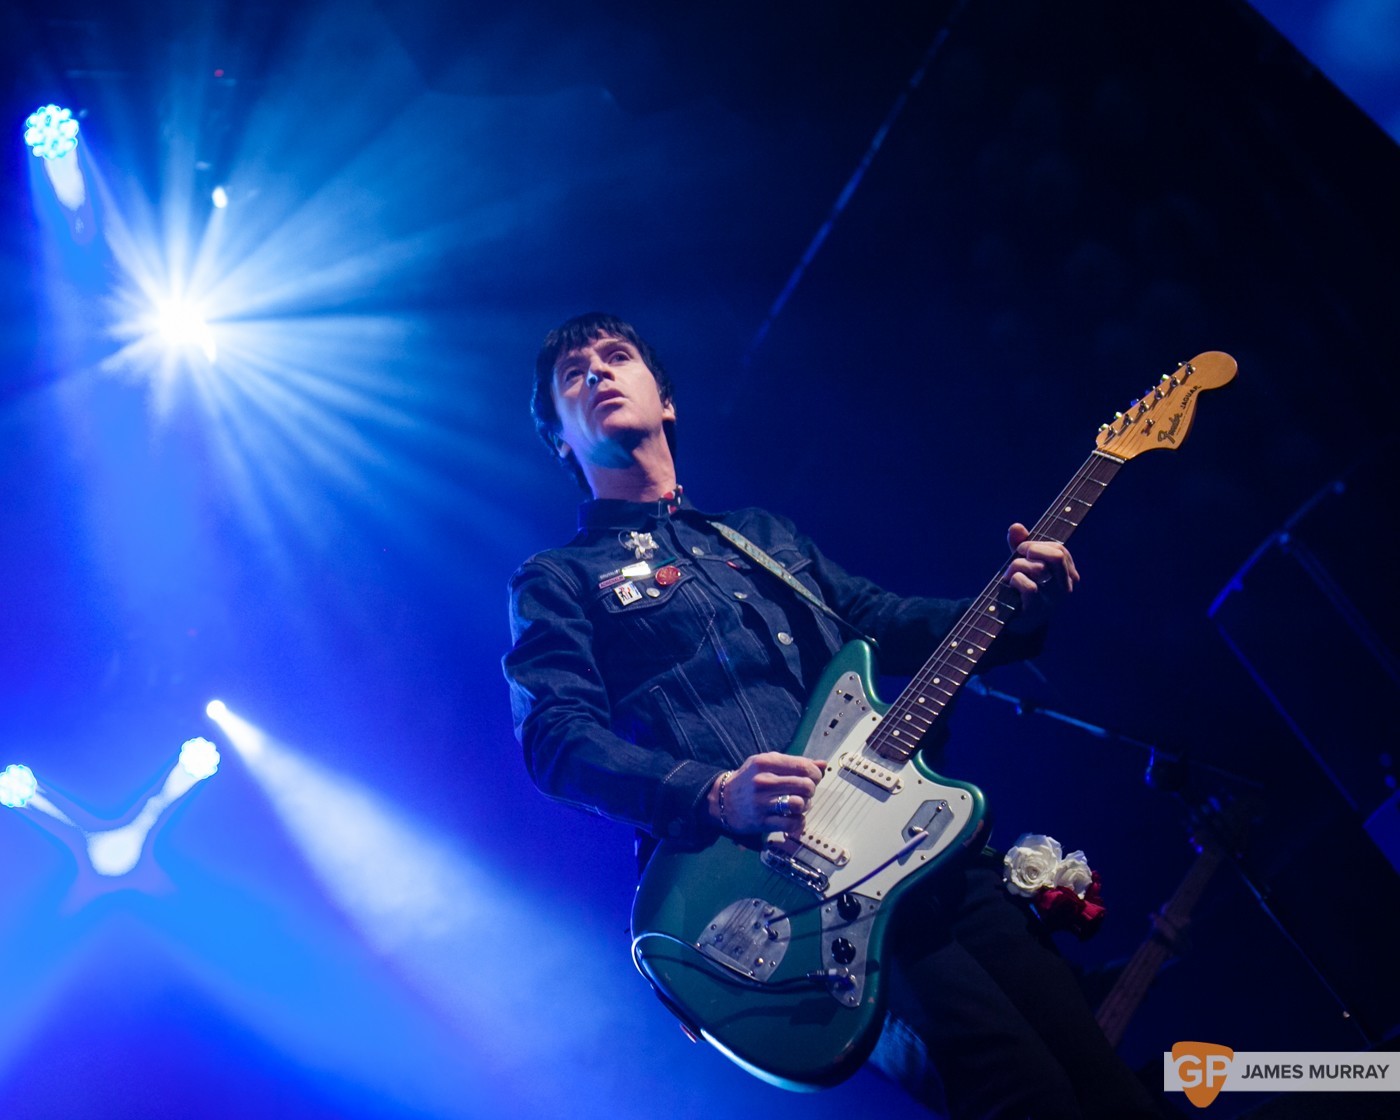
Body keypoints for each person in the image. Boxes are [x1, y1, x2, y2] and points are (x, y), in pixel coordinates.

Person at [503, 312, 1167, 1119]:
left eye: (618, 357)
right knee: (1023, 1094)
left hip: (927, 850)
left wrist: (1017, 603)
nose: (599, 373)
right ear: (560, 441)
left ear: (666, 401)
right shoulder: (559, 578)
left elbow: (886, 620)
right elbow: (555, 741)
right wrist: (714, 793)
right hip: (794, 895)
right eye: (574, 373)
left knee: (1104, 1081)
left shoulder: (760, 537)